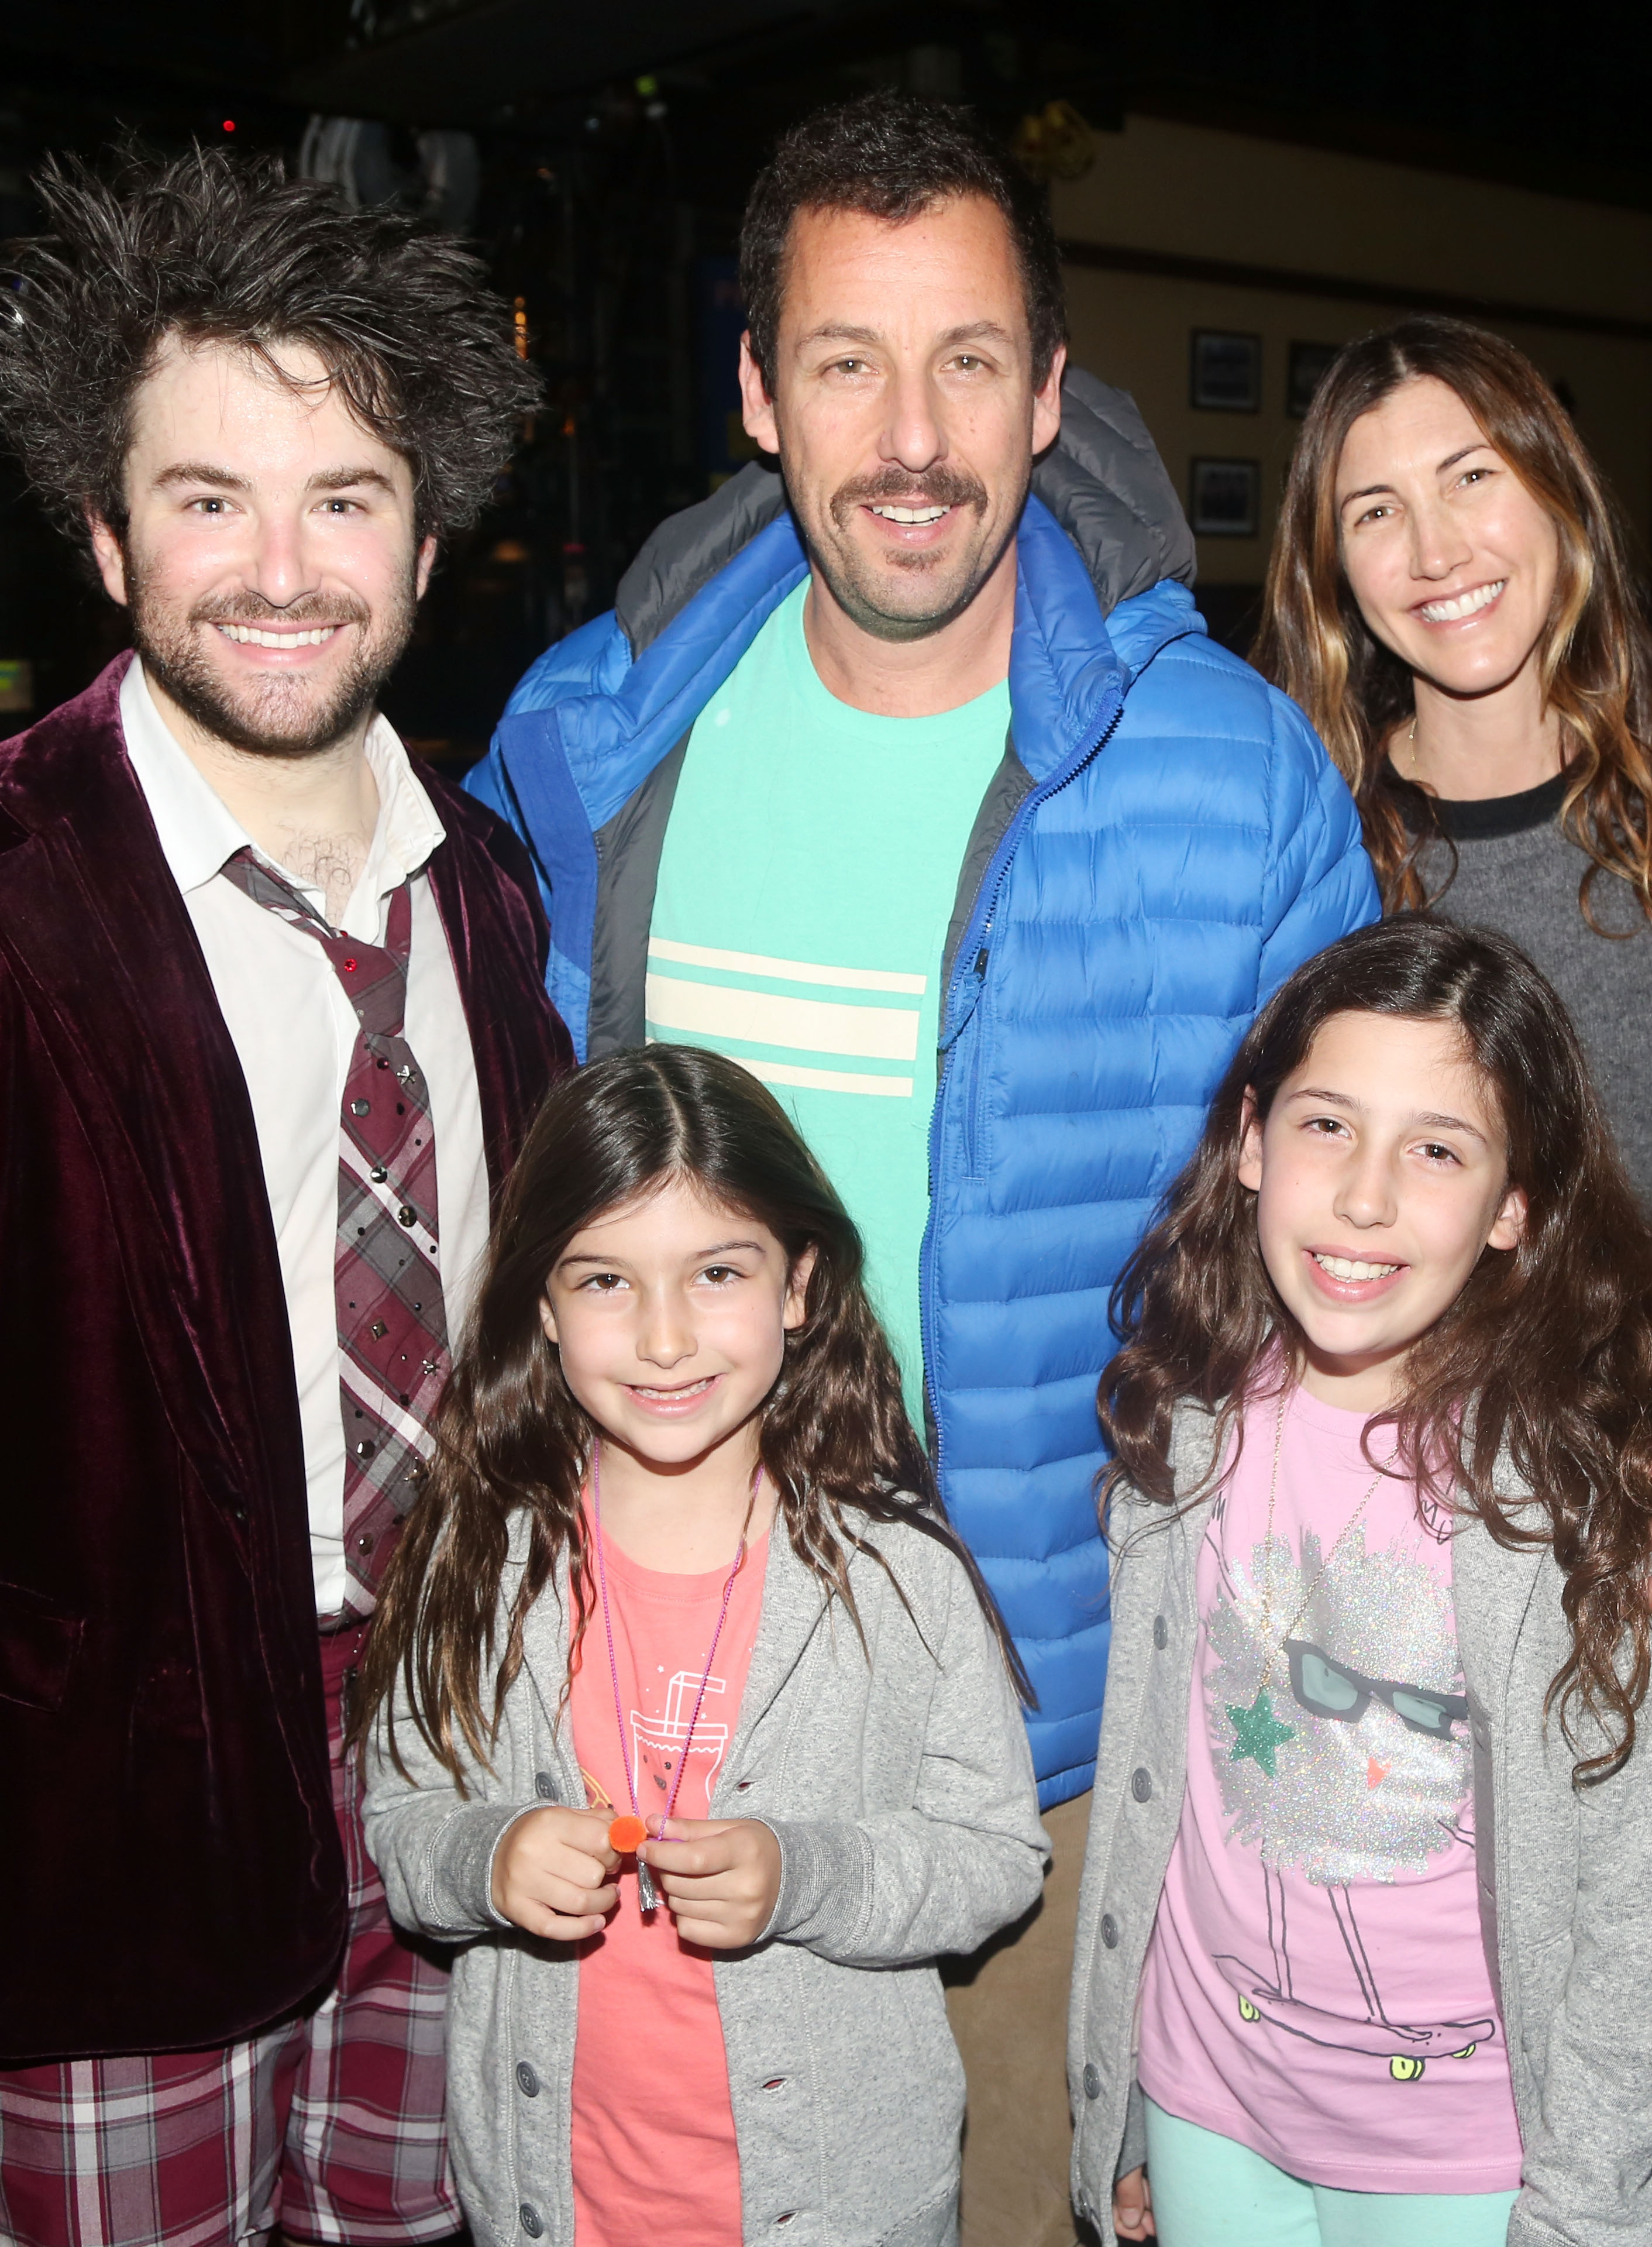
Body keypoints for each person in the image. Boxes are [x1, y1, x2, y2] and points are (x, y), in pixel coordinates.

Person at [469, 90, 1377, 2237]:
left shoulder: (1230, 775)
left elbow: (1362, 1302)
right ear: (756, 390)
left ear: (1049, 390)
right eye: (847, 362)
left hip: (1044, 1753)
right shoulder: (587, 745)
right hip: (635, 1733)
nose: (910, 438)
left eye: (968, 360)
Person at [0, 149, 569, 2246]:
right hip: (110, 1817)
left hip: (457, 1742)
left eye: (341, 498)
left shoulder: (490, 890)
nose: (278, 569)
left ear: (426, 539)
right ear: (103, 533)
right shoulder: (18, 888)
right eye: (206, 498)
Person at [356, 1042, 1048, 2246]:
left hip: (844, 2212)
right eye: (605, 1281)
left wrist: (803, 1876)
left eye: (717, 1272)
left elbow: (993, 1857)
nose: (665, 1339)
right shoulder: (474, 1557)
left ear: (799, 1284)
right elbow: (404, 1816)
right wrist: (486, 1858)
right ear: (542, 1303)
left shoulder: (901, 1575)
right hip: (553, 2206)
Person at [1068, 915, 1652, 2247]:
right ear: (1250, 1140)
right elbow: (1160, 1792)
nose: (1364, 1198)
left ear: (1516, 1206)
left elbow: (1630, 1901)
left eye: (1436, 1150)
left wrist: (1583, 2207)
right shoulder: (1184, 1428)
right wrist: (1132, 2104)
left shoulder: (1578, 1494)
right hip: (1209, 2104)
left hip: (1473, 2159)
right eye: (1326, 1126)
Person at [1254, 314, 1652, 1202]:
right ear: (1336, 569)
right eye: (1377, 511)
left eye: (1471, 477)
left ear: (1557, 491)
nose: (1436, 553)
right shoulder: (1307, 846)